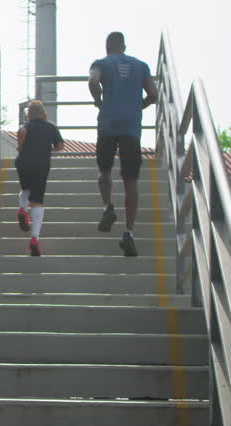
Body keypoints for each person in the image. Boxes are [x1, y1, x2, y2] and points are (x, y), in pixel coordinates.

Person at [89, 31, 158, 257]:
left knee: (104, 172)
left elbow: (93, 81)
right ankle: (128, 232)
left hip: (108, 125)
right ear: (124, 47)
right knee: (131, 181)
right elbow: (154, 94)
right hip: (131, 128)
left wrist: (98, 100)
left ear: (107, 46)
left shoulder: (101, 63)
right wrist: (138, 107)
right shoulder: (142, 66)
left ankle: (108, 207)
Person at [14, 99, 65, 256]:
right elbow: (60, 146)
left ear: (28, 115)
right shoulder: (50, 126)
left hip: (23, 162)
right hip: (41, 165)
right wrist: (51, 147)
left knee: (25, 189)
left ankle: (22, 209)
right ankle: (35, 239)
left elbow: (20, 142)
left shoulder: (25, 127)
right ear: (45, 114)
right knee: (37, 200)